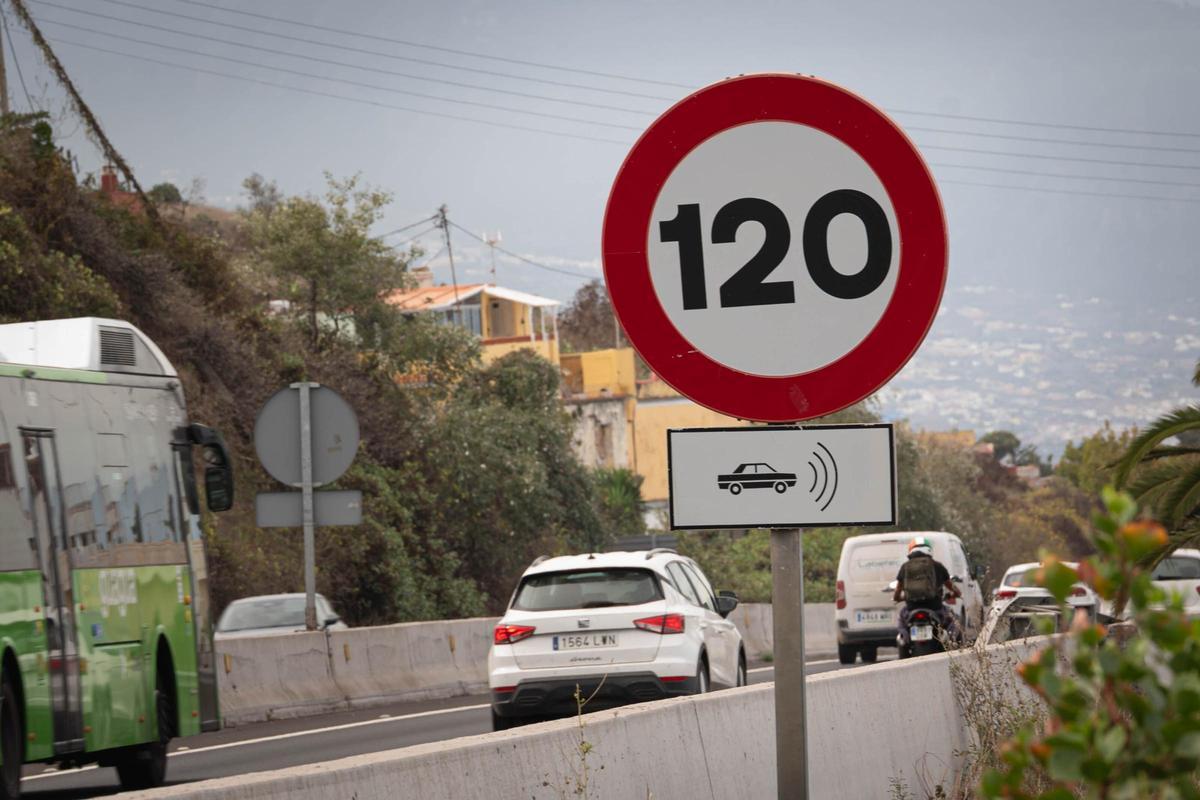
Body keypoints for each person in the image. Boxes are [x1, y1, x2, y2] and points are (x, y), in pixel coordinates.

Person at [893, 536, 961, 640]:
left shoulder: (905, 567)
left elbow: (897, 591)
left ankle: (903, 639)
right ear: (929, 550)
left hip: (911, 607)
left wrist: (900, 598)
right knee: (953, 619)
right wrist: (956, 594)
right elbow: (951, 586)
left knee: (901, 620)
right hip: (935, 607)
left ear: (911, 550)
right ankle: (952, 642)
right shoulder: (938, 566)